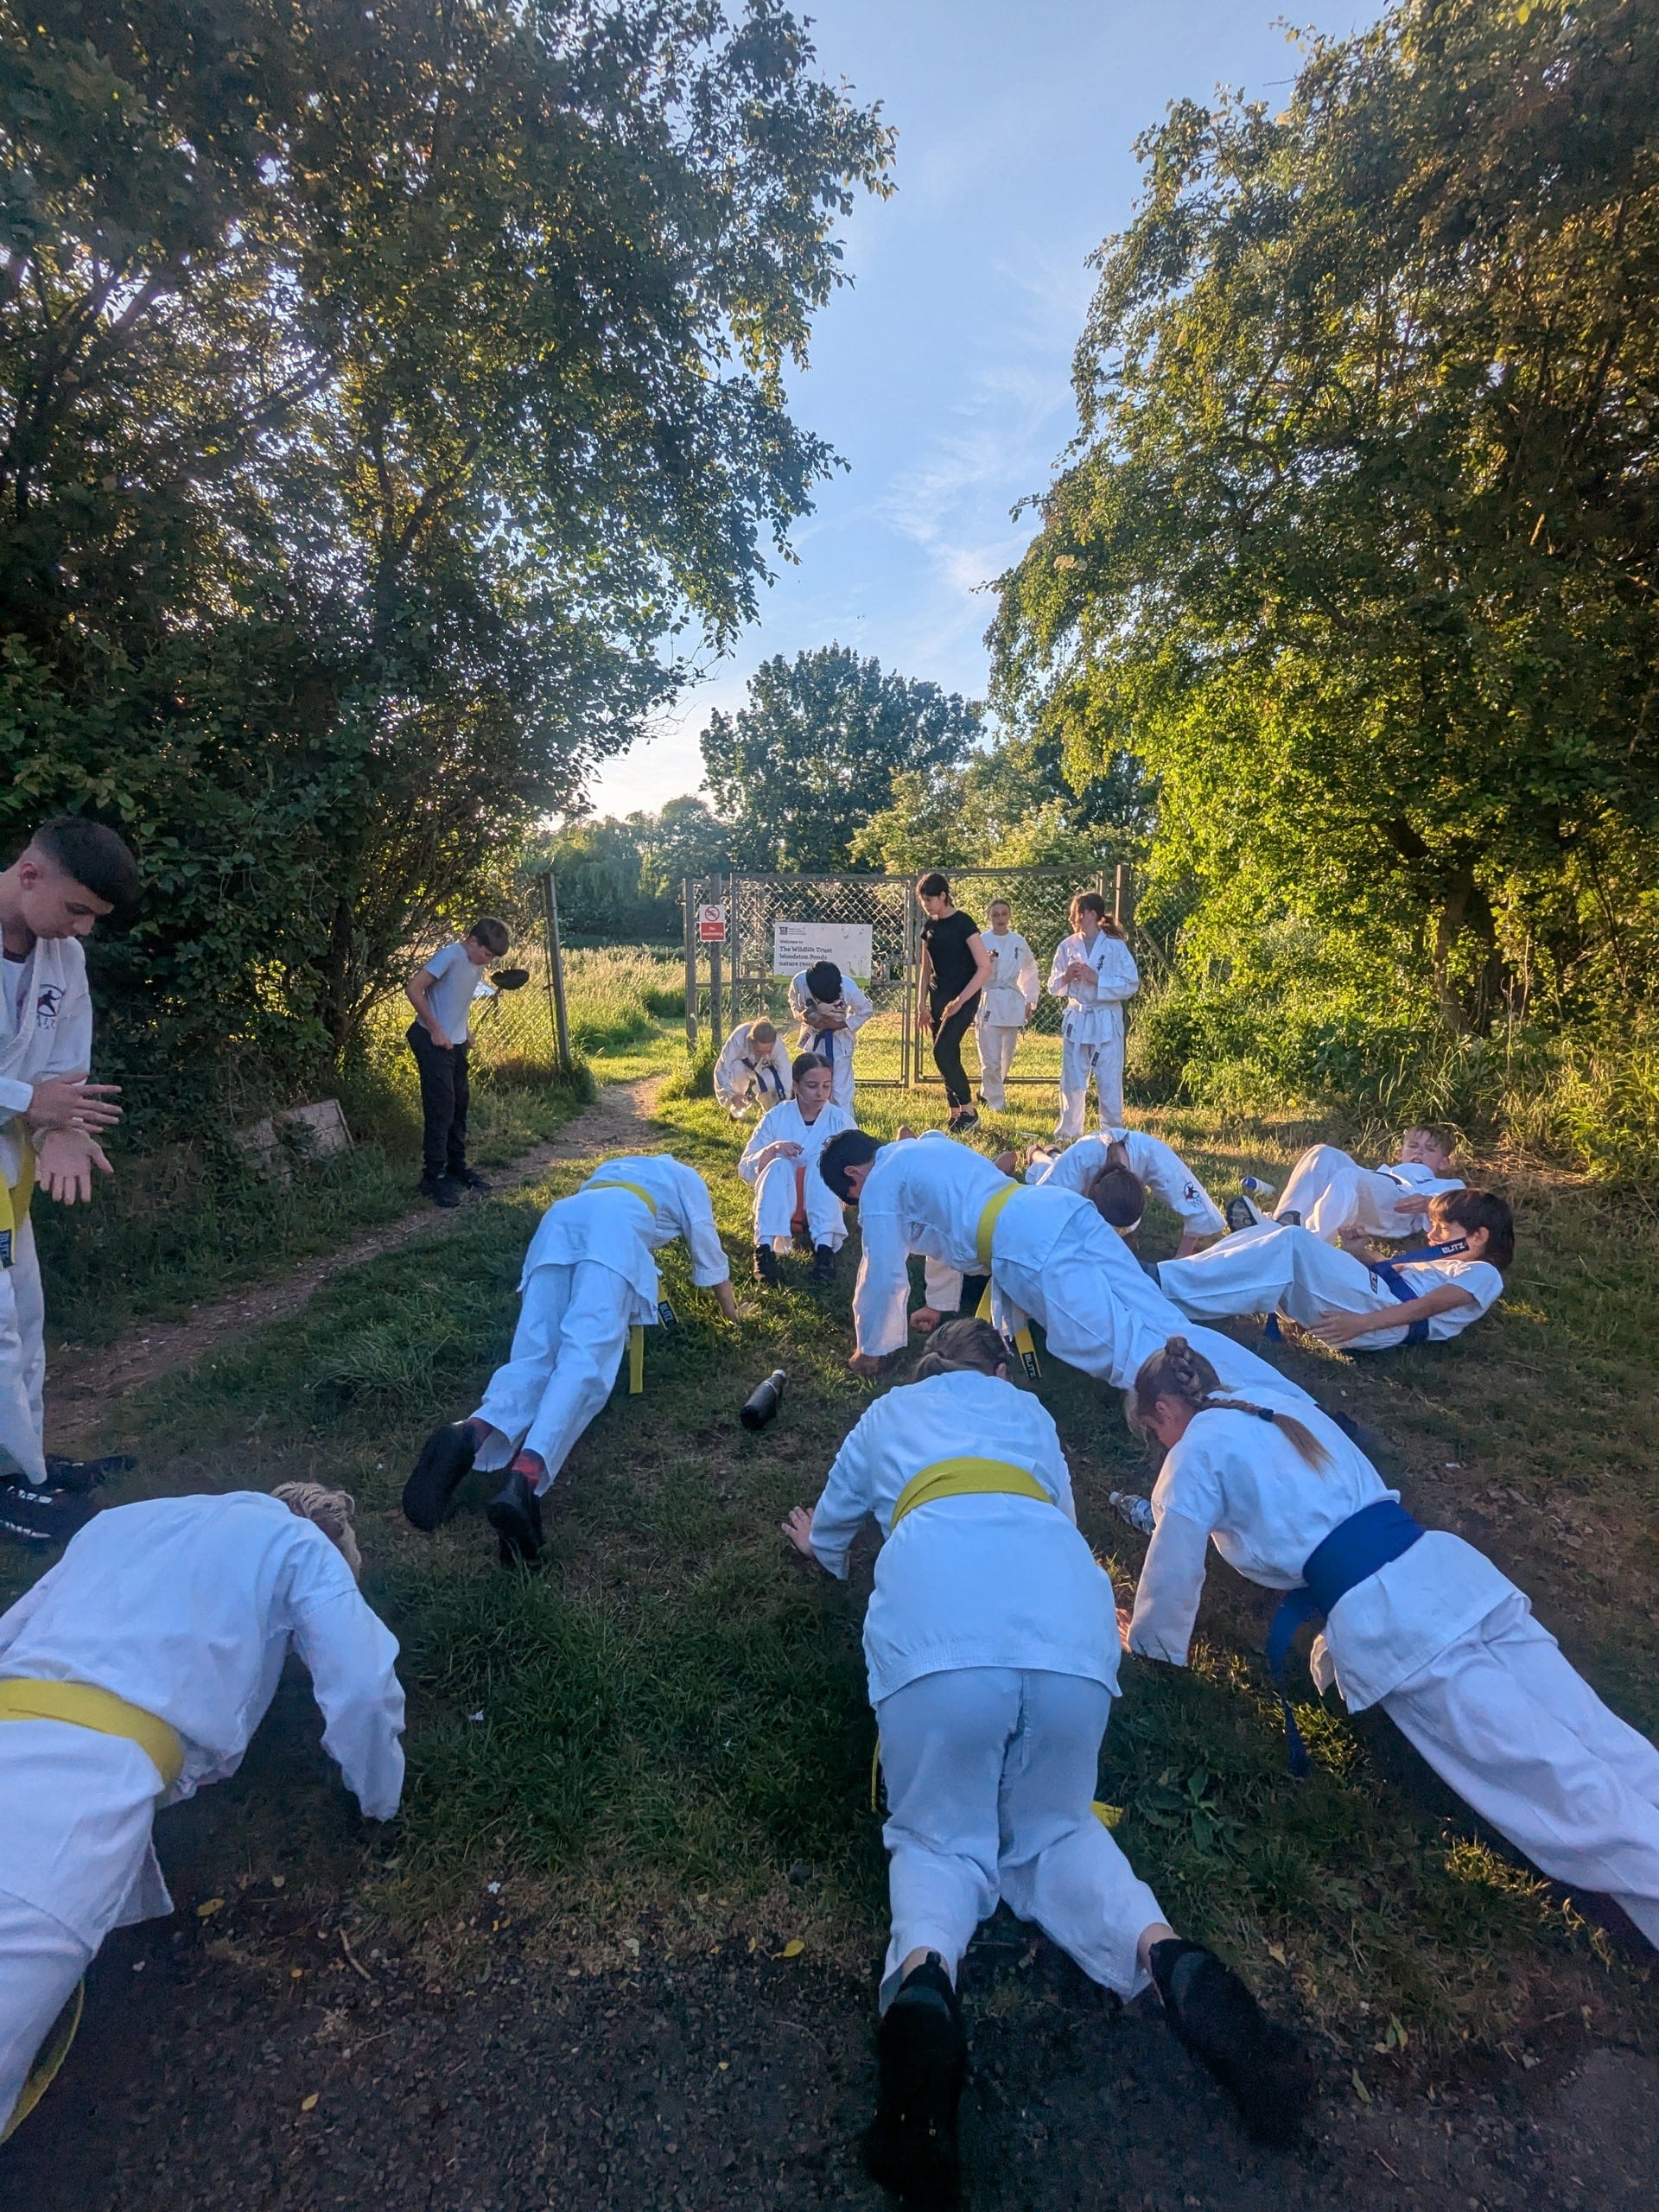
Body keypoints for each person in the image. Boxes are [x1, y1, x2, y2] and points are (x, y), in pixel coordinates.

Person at [780, 1320, 1311, 2198]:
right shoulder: (1030, 1415)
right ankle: (1166, 1953)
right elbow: (1059, 1521)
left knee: (939, 1838)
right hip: (1066, 1630)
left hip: (943, 1640)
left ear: (931, 1366)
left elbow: (834, 1535)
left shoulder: (886, 1412)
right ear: (999, 1366)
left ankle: (926, 1983)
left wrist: (817, 1547)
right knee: (1058, 1827)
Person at [1124, 1335, 1659, 1955]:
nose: (1160, 1445)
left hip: (1400, 1624)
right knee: (1594, 1731)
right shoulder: (1269, 1400)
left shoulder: (1194, 1455)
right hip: (1451, 1576)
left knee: (1548, 1777)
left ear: (1164, 1411)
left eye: (1153, 1432)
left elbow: (1173, 1566)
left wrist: (1151, 1651)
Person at [0, 1485, 404, 2139]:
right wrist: (379, 1798)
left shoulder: (119, 1520)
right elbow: (362, 1688)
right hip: (74, 1803)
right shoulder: (299, 1547)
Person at [818, 1127, 1313, 1405]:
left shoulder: (880, 1183)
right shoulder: (923, 1145)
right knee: (1164, 1322)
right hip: (1058, 1210)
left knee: (1125, 1350)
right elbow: (941, 1230)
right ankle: (1289, 1400)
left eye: (852, 1196)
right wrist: (940, 1304)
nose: (861, 1204)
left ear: (853, 1174)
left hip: (1027, 1248)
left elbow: (882, 1270)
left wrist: (871, 1348)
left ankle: (1239, 1412)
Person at [404, 1153, 740, 1561]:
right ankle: (524, 1479)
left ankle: (471, 1431)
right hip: (612, 1236)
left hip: (559, 1223)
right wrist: (732, 1315)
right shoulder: (689, 1177)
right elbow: (707, 1249)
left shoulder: (618, 1167)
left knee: (536, 1354)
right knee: (584, 1363)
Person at [0, 818, 139, 1546]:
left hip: (9, 1171)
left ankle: (26, 1464)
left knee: (23, 1315)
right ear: (30, 875)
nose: (81, 928)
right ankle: (9, 1486)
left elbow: (66, 1068)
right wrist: (32, 1107)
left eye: (93, 918)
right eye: (77, 908)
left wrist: (65, 1130)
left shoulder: (64, 958)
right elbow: (36, 1090)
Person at [1155, 1189, 1512, 1352]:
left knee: (1292, 1242)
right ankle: (1171, 1277)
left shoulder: (1484, 1274)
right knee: (1275, 1236)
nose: (1433, 1235)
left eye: (1443, 1229)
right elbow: (1383, 1272)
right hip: (1371, 1297)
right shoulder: (1442, 1261)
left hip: (1377, 1317)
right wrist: (1355, 1249)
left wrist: (1361, 1324)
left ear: (1478, 1237)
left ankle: (1163, 1288)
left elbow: (1426, 1307)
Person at [404, 916, 512, 1209]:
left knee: (459, 1106)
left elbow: (454, 998)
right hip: (430, 1039)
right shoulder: (450, 954)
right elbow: (414, 989)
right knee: (441, 1109)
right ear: (473, 941)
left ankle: (456, 1167)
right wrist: (437, 1028)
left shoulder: (475, 963)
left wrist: (464, 1031)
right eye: (487, 954)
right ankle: (433, 1177)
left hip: (456, 1042)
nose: (488, 961)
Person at [737, 1054, 854, 1285]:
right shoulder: (776, 1117)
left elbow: (857, 1168)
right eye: (812, 1086)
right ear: (796, 1085)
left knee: (824, 1165)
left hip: (824, 1201)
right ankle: (764, 1250)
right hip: (781, 1198)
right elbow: (745, 1168)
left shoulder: (841, 1121)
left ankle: (824, 1251)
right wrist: (772, 1149)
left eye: (826, 1086)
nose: (820, 1093)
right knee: (779, 1164)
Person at [1020, 1131, 1225, 1257]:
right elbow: (1040, 1206)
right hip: (1073, 1162)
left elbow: (1200, 1210)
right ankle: (1038, 1154)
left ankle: (1054, 1154)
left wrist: (1182, 1258)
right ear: (1094, 1189)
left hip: (1103, 1177)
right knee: (1048, 1169)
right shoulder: (1080, 1159)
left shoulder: (1153, 1155)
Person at [1257, 1126, 1465, 1243]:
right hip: (1377, 1184)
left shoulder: (1447, 1185)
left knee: (1348, 1176)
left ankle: (1309, 1241)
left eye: (1429, 1149)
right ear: (1399, 1153)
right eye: (1413, 1146)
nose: (1419, 1152)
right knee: (1323, 1153)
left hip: (1398, 1203)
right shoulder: (1381, 1172)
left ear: (1444, 1162)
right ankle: (1282, 1224)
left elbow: (1460, 1211)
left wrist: (1430, 1203)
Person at [1047, 892, 1139, 1140]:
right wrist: (1067, 977)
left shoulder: (1115, 947)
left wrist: (1097, 979)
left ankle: (1113, 1135)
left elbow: (1131, 984)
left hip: (1106, 1020)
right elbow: (1053, 986)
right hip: (1078, 1019)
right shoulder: (1067, 946)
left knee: (1108, 1080)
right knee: (1072, 1080)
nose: (1071, 918)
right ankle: (1068, 1133)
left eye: (1076, 913)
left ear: (1091, 914)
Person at [914, 874, 994, 1133]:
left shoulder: (964, 923)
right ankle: (956, 1111)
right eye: (922, 900)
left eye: (929, 899)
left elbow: (984, 968)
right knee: (947, 1054)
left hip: (965, 995)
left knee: (943, 1051)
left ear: (943, 896)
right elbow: (926, 968)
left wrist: (961, 1001)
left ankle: (970, 1111)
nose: (926, 904)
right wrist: (921, 1004)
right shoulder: (929, 926)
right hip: (939, 996)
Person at [973, 899, 1040, 1114]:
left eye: (1004, 914)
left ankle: (988, 1091)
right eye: (996, 915)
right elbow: (971, 971)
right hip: (989, 998)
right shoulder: (981, 941)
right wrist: (987, 965)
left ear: (1009, 916)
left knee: (1005, 1056)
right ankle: (996, 1104)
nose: (1000, 919)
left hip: (1011, 1001)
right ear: (989, 917)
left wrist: (1030, 999)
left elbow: (1029, 970)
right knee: (990, 1057)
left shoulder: (1018, 942)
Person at [788, 958, 873, 1111]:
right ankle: (813, 1124)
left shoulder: (846, 986)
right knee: (813, 1085)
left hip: (839, 1042)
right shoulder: (800, 982)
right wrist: (803, 1016)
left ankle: (845, 1130)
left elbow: (866, 1010)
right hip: (813, 1039)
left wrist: (840, 1024)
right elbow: (794, 1002)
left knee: (840, 1093)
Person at [712, 1017, 793, 1118]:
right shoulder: (738, 1039)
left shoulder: (777, 1045)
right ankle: (736, 1106)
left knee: (772, 1080)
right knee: (736, 1069)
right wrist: (730, 1094)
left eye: (769, 1050)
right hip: (742, 1066)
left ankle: (772, 1114)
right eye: (759, 1051)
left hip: (764, 1068)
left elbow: (785, 1072)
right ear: (751, 1041)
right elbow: (721, 1068)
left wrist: (788, 1100)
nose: (764, 1055)